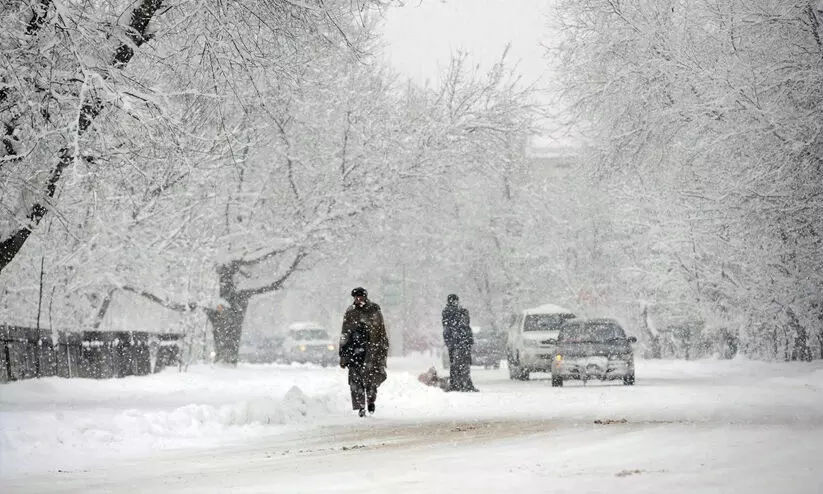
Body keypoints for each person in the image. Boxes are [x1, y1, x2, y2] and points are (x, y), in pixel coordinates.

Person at [339, 287, 390, 417]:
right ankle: (361, 406)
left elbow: (381, 331)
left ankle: (371, 400)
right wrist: (343, 354)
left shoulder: (374, 311)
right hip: (355, 351)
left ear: (365, 297)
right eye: (356, 297)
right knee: (356, 381)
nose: (359, 299)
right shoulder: (350, 312)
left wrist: (383, 347)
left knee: (371, 380)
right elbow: (344, 333)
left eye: (361, 296)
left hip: (372, 351)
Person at [442, 294, 478, 392]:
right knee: (462, 364)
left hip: (455, 342)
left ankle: (456, 384)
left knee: (455, 364)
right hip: (460, 342)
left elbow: (448, 328)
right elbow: (463, 324)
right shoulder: (456, 312)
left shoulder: (448, 312)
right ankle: (463, 384)